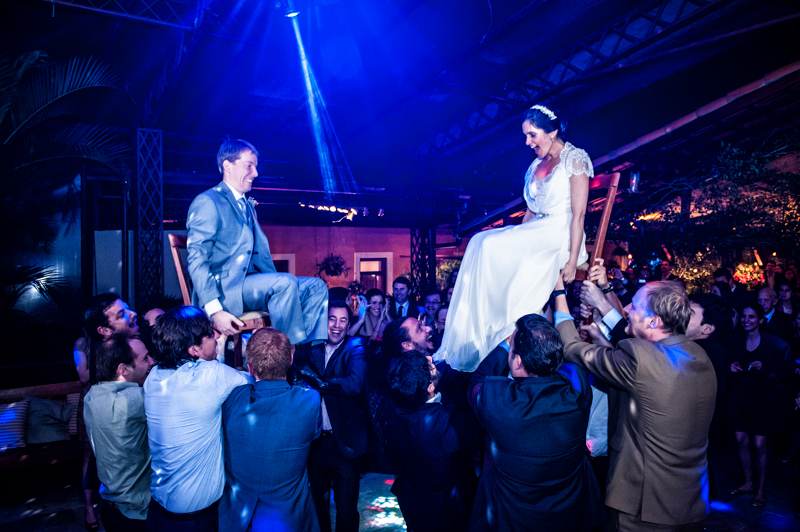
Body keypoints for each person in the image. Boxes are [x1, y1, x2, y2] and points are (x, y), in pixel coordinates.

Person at [437, 104, 591, 371]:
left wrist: (571, 260)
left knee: (488, 245)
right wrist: (516, 237)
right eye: (526, 136)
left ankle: (503, 333)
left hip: (561, 233)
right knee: (479, 242)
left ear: (552, 132)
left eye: (532, 135)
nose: (527, 142)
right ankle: (479, 335)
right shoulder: (535, 165)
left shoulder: (575, 159)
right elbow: (530, 211)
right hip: (537, 230)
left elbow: (579, 216)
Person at [555, 278, 716, 530]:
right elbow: (640, 379)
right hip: (689, 499)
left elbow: (571, 347)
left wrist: (559, 294)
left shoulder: (640, 358)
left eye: (635, 306)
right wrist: (600, 338)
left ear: (653, 322)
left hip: (645, 504)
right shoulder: (698, 354)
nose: (627, 309)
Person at [468, 313, 603, 531]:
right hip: (567, 515)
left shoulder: (497, 401)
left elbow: (476, 381)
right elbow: (568, 368)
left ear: (518, 361)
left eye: (512, 350)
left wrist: (506, 342)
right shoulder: (578, 389)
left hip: (511, 518)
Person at [186, 138, 327, 343]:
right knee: (284, 282)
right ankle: (283, 354)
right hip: (224, 291)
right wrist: (215, 310)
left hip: (250, 285)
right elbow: (197, 259)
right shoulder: (208, 201)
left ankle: (306, 351)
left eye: (255, 167)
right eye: (249, 166)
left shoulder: (246, 205)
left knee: (316, 286)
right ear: (228, 166)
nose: (255, 173)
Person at [145, 306, 252, 532]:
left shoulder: (153, 377)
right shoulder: (212, 377)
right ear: (194, 349)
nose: (217, 336)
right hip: (192, 523)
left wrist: (214, 355)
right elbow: (254, 379)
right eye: (210, 334)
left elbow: (205, 375)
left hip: (157, 513)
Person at [220, 328, 321, 532]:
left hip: (238, 520)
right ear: (290, 359)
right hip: (288, 520)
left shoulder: (233, 399)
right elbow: (315, 434)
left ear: (250, 368)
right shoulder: (309, 400)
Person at [293, 301, 371, 532]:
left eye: (343, 320)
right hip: (315, 442)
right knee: (317, 506)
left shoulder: (356, 346)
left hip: (344, 444)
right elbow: (295, 381)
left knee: (346, 510)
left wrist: (316, 382)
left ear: (349, 324)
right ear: (323, 322)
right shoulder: (310, 347)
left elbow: (354, 384)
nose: (337, 325)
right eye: (332, 319)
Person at [386, 351, 481, 532]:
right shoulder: (441, 424)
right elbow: (481, 426)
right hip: (442, 512)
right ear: (430, 387)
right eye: (428, 366)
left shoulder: (396, 403)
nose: (430, 358)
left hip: (413, 500)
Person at [74, 294, 139, 532]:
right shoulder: (87, 345)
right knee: (93, 457)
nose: (133, 315)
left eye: (128, 309)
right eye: (121, 314)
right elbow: (84, 376)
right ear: (103, 330)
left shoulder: (135, 342)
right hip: (96, 401)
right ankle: (90, 507)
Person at [84, 333, 154, 532]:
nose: (152, 362)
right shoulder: (135, 399)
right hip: (139, 515)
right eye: (145, 358)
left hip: (110, 509)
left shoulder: (92, 396)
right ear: (123, 369)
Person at [727, 303, 792, 509]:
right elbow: (727, 361)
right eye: (744, 316)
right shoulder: (735, 340)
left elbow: (788, 368)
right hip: (741, 396)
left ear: (760, 320)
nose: (746, 320)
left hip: (762, 399)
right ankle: (748, 482)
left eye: (751, 317)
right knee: (740, 439)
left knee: (759, 444)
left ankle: (761, 490)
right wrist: (731, 367)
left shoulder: (773, 343)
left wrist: (766, 367)